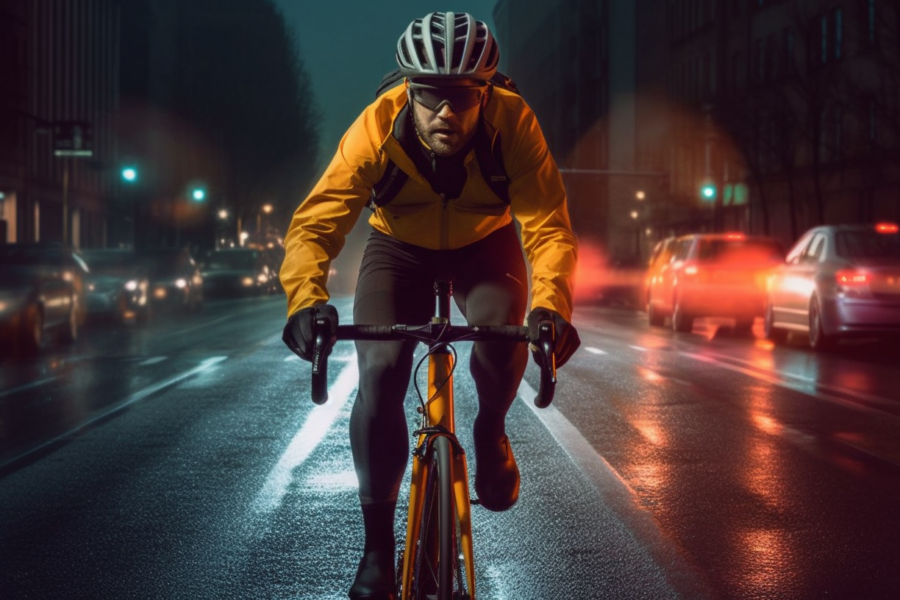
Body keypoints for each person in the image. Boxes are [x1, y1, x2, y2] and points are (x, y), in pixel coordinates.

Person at [281, 11, 580, 600]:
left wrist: (550, 308)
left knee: (500, 338)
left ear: (485, 94)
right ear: (409, 90)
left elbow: (548, 227)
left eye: (463, 98)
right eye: (432, 96)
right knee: (383, 370)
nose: (447, 111)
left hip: (484, 246)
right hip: (399, 248)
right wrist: (306, 299)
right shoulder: (377, 126)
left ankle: (490, 430)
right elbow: (316, 224)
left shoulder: (514, 123)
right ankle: (375, 553)